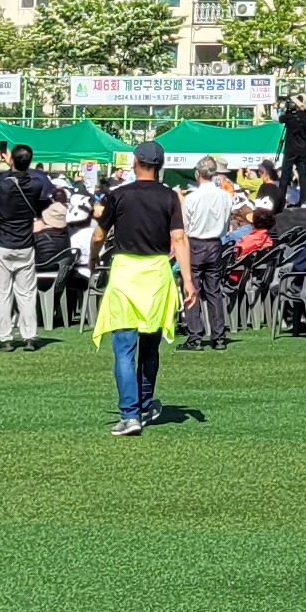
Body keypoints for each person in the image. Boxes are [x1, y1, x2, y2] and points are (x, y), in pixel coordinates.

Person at [93, 145, 198, 433]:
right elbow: (179, 238)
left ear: (136, 162)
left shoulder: (118, 195)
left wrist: (92, 258)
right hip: (156, 274)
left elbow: (99, 234)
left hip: (125, 274)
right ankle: (145, 404)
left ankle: (130, 414)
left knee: (124, 348)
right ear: (160, 165)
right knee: (150, 347)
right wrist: (188, 280)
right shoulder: (169, 196)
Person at [0, 143, 57, 351]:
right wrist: (13, 166)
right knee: (27, 294)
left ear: (12, 160)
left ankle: (4, 337)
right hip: (25, 245)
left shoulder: (3, 185)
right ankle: (30, 336)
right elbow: (24, 181)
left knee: (1, 294)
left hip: (1, 244)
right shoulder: (36, 185)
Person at [180, 160, 236, 348]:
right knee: (214, 290)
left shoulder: (192, 197)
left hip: (196, 243)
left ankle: (195, 335)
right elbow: (227, 221)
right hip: (215, 244)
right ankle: (218, 336)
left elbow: (185, 226)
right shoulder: (225, 196)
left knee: (191, 288)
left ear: (198, 173)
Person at [277, 96, 306, 200]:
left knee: (285, 176)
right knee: (303, 177)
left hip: (290, 151)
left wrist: (278, 108)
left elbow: (277, 118)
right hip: (303, 151)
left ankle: (280, 200)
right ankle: (303, 201)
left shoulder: (290, 117)